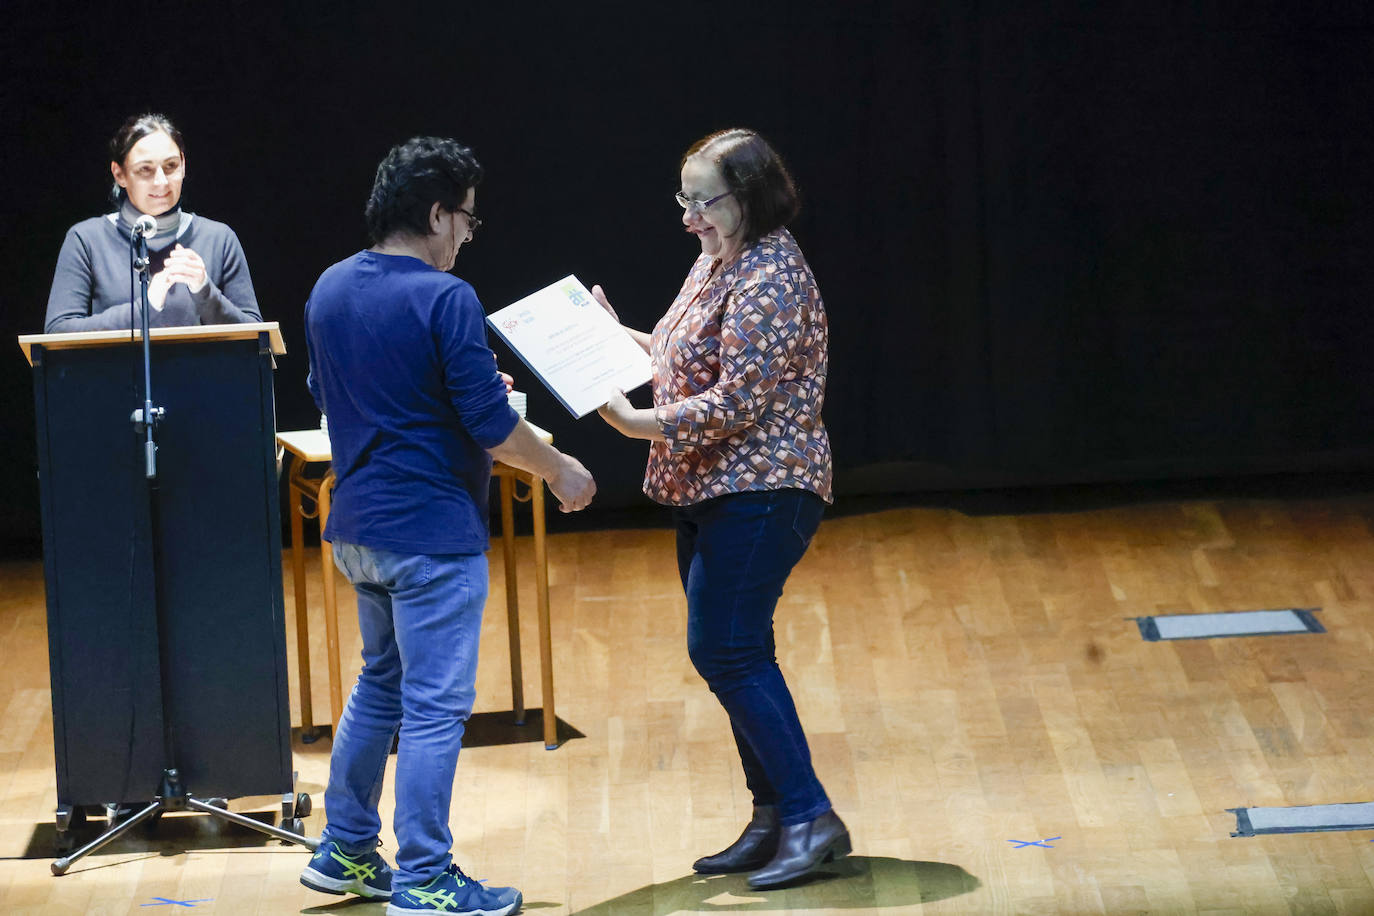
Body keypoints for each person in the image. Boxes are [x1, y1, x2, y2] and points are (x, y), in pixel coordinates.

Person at [299, 136, 594, 916]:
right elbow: (494, 428)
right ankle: (426, 876)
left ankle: (347, 852)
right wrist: (560, 469)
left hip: (356, 529)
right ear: (436, 213)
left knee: (379, 687)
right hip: (430, 536)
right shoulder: (444, 297)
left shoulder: (329, 288)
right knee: (433, 708)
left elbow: (335, 395)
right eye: (466, 218)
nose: (467, 234)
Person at [596, 128, 847, 889]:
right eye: (685, 199)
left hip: (763, 490)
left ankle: (810, 816)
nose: (688, 217)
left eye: (702, 201)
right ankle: (772, 817)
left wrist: (635, 424)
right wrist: (612, 339)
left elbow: (736, 400)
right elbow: (681, 357)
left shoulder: (772, 277)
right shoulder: (717, 261)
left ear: (749, 196)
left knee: (726, 651)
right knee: (736, 652)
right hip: (709, 487)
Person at [44, 113, 261, 332]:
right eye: (145, 170)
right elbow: (58, 331)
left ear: (184, 165)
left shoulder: (219, 238)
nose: (161, 181)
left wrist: (205, 291)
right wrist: (144, 309)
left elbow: (258, 339)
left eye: (171, 166)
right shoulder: (86, 239)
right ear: (119, 174)